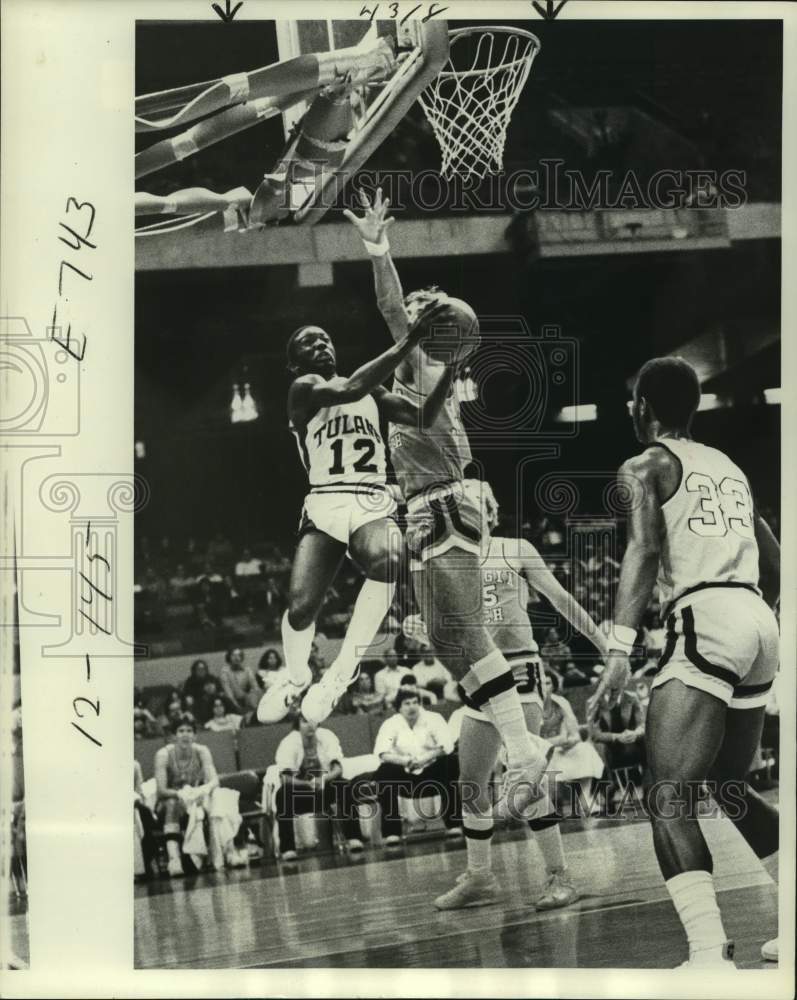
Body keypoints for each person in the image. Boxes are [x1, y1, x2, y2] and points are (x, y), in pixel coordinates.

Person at [348, 187, 549, 828]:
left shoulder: (421, 363)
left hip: (444, 505)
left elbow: (387, 302)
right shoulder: (426, 373)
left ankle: (523, 750)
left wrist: (378, 245)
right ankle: (513, 744)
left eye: (414, 310)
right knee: (445, 639)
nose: (400, 313)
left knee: (463, 632)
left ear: (432, 326)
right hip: (428, 507)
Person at [589, 356, 780, 967]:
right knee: (728, 784)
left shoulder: (644, 463)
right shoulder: (728, 467)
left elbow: (644, 550)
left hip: (707, 616)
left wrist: (620, 649)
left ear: (642, 406)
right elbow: (775, 565)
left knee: (667, 796)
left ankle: (708, 955)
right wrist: (749, 624)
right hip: (757, 617)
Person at [257, 296, 456, 728]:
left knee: (391, 560)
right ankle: (295, 678)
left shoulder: (372, 390)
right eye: (309, 344)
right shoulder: (304, 390)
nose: (322, 345)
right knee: (300, 609)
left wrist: (450, 371)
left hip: (369, 497)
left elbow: (423, 416)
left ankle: (341, 674)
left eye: (325, 339)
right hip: (326, 499)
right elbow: (348, 390)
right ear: (295, 363)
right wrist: (410, 340)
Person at [407, 503, 607, 910]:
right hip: (477, 675)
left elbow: (562, 599)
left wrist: (608, 650)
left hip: (519, 667)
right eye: (466, 503)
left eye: (481, 503)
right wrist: (421, 630)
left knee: (524, 772)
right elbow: (443, 631)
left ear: (494, 512)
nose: (474, 510)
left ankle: (559, 875)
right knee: (470, 783)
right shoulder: (440, 560)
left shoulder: (516, 548)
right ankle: (480, 876)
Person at [154, 715, 241, 876]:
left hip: (195, 799)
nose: (185, 734)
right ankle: (174, 860)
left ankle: (229, 851)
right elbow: (161, 790)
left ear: (195, 735)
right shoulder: (163, 755)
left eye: (189, 731)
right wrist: (181, 793)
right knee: (172, 803)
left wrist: (202, 790)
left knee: (219, 796)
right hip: (168, 803)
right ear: (173, 736)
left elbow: (214, 780)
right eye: (181, 731)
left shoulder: (202, 751)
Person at [373, 688, 460, 845]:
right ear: (399, 707)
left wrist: (423, 759)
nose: (412, 707)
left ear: (420, 704)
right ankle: (392, 833)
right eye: (407, 703)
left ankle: (454, 824)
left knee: (451, 762)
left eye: (415, 703)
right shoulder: (391, 723)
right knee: (384, 772)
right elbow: (381, 753)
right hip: (406, 776)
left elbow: (447, 745)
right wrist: (405, 761)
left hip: (432, 771)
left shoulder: (434, 718)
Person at [273, 716, 365, 859]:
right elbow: (285, 778)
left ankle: (354, 838)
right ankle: (288, 849)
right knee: (282, 794)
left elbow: (338, 769)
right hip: (301, 792)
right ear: (298, 725)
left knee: (344, 785)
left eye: (312, 721)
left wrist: (323, 779)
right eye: (304, 722)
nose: (310, 725)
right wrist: (307, 784)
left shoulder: (327, 736)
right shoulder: (288, 742)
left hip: (324, 787)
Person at [540, 674, 604, 816]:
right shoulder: (531, 705)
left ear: (554, 685)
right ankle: (546, 806)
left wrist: (570, 741)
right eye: (542, 683)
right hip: (541, 751)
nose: (545, 687)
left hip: (561, 749)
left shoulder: (561, 703)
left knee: (585, 750)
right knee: (545, 761)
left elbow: (572, 734)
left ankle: (586, 800)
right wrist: (557, 740)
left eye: (548, 683)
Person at [220, 647, 262, 715]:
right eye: (233, 655)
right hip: (231, 700)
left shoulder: (247, 670)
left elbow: (255, 686)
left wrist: (253, 696)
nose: (236, 658)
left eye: (239, 655)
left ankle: (257, 712)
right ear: (229, 657)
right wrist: (237, 706)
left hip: (246, 699)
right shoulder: (224, 671)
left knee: (255, 693)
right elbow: (228, 691)